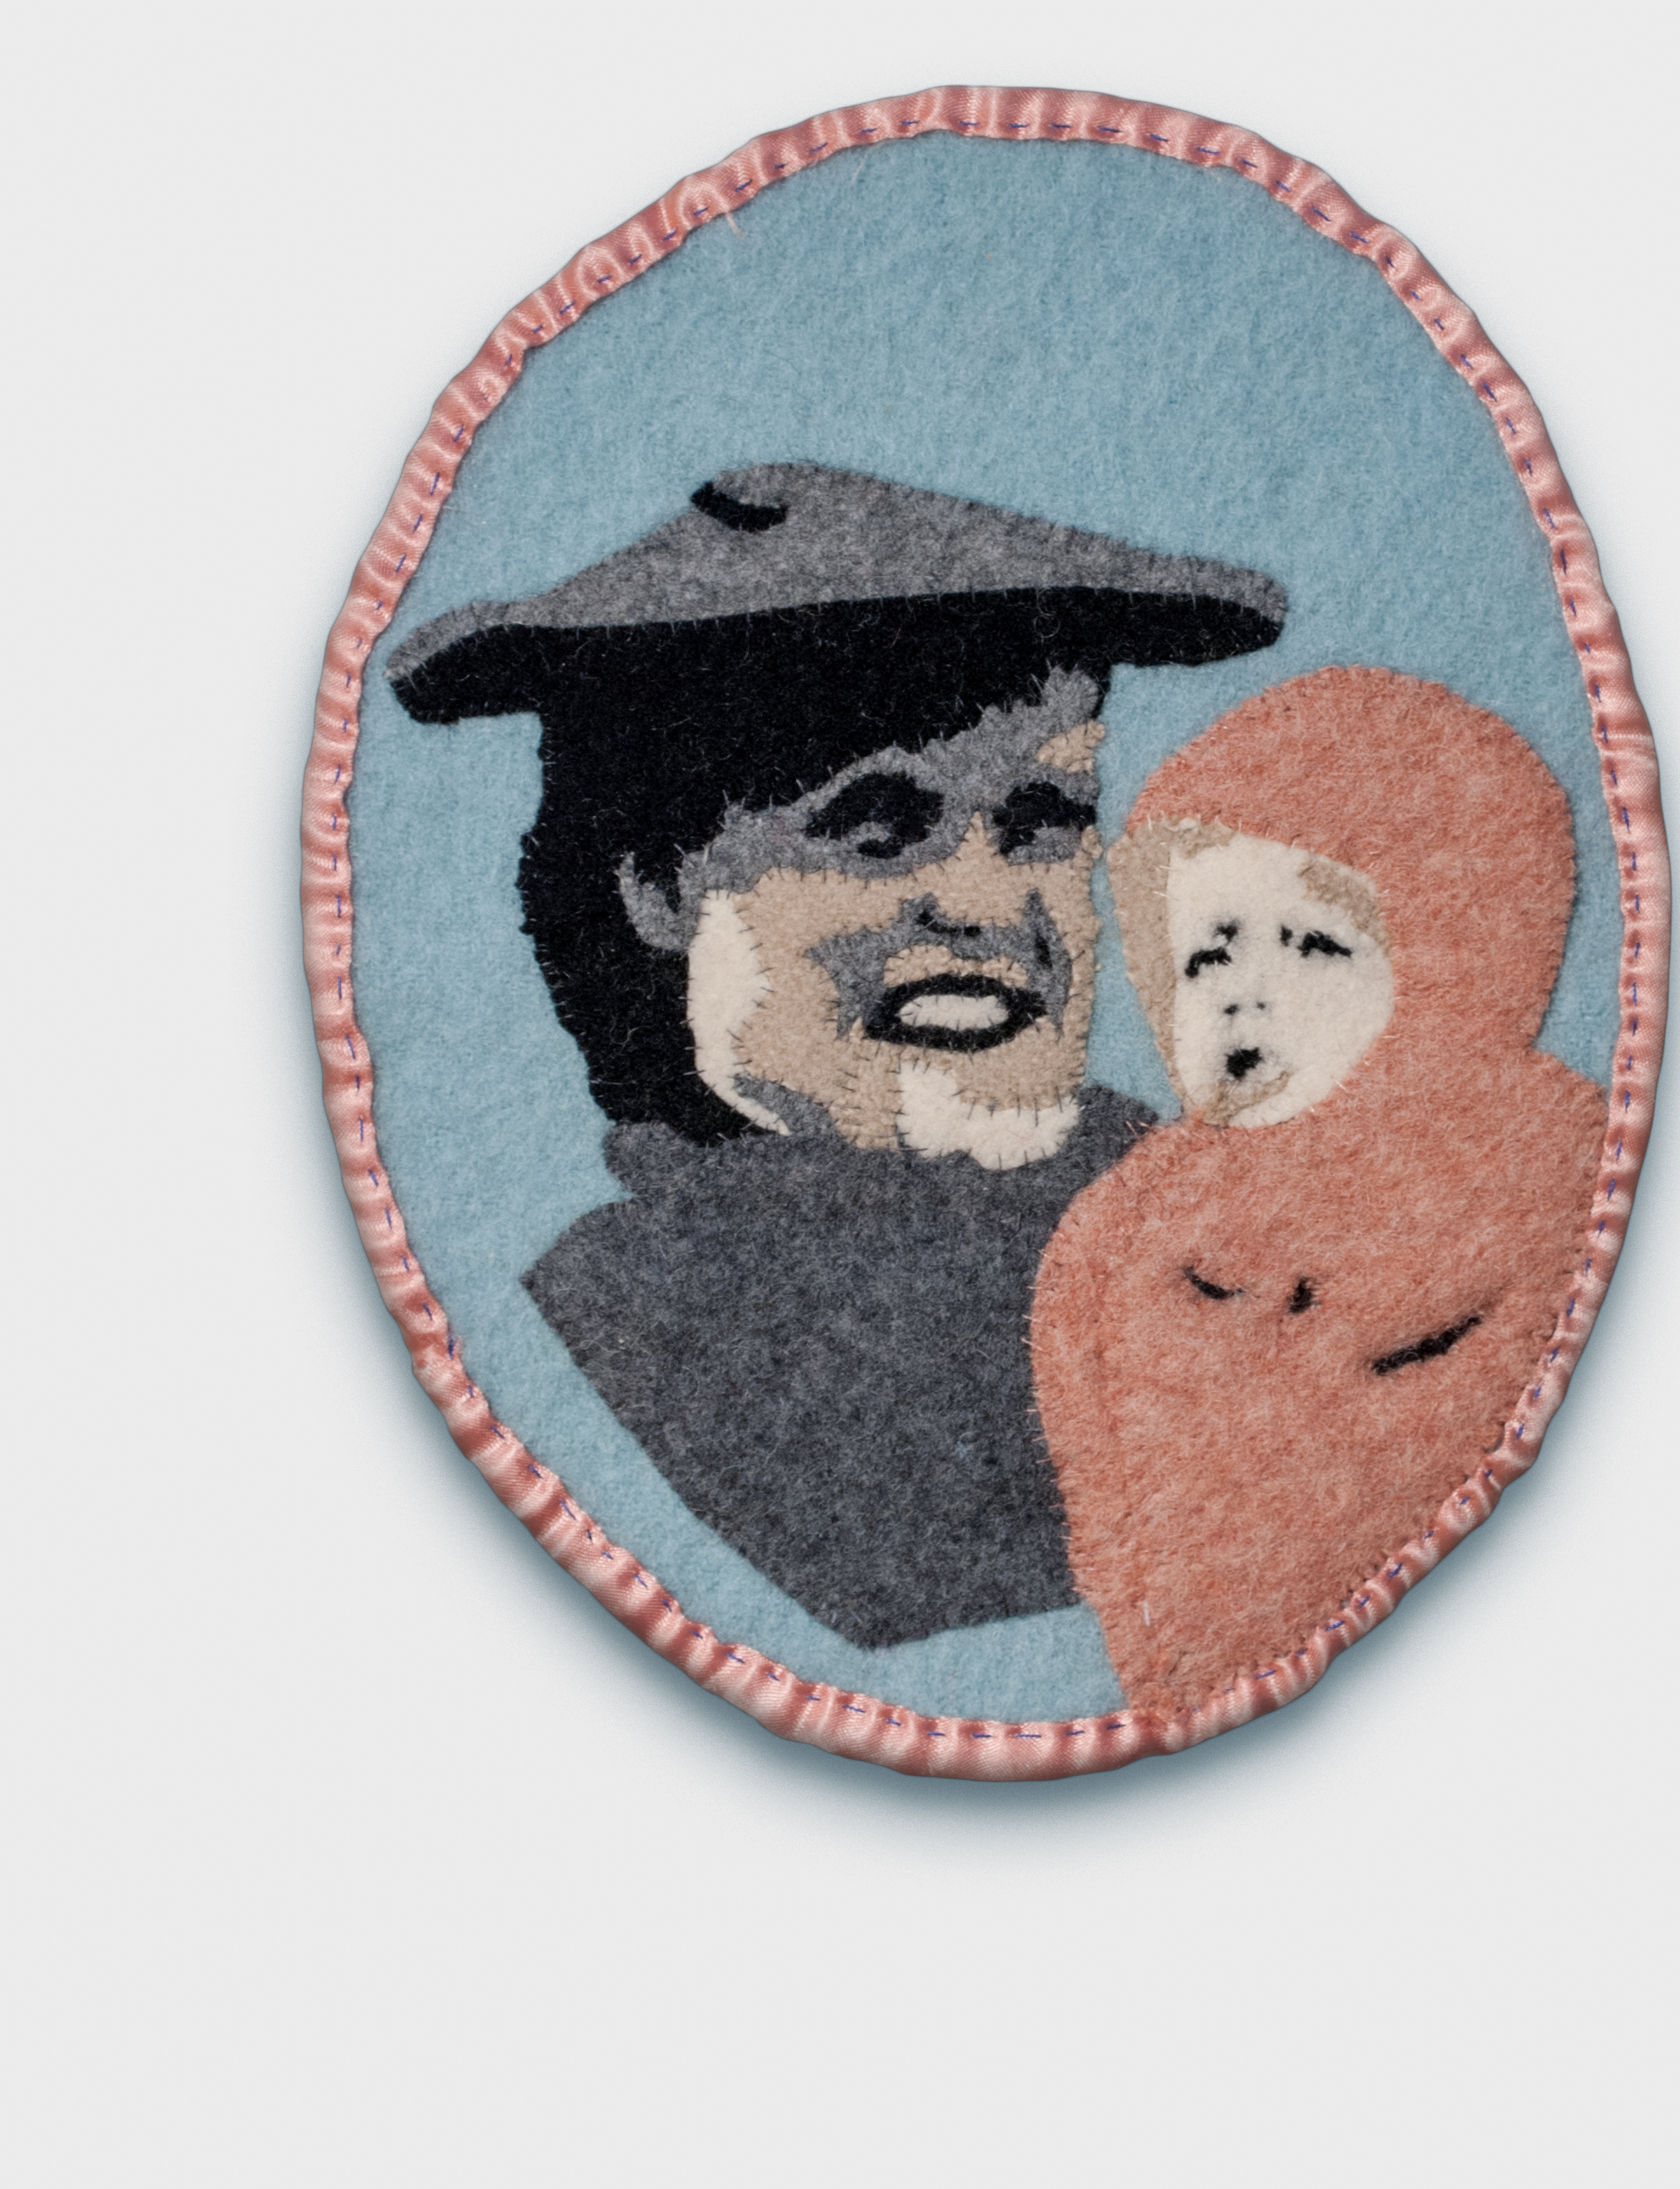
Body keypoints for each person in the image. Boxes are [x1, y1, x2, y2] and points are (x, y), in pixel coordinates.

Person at [387, 462, 1285, 1647]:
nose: (987, 905)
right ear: (656, 887)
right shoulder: (619, 1330)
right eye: (876, 830)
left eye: (1043, 821)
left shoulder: (1235, 1228)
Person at [1030, 667, 1608, 1714]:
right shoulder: (1134, 1219)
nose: (1244, 992)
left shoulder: (1542, 1176)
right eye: (1206, 955)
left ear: (1455, 955)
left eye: (1314, 944)